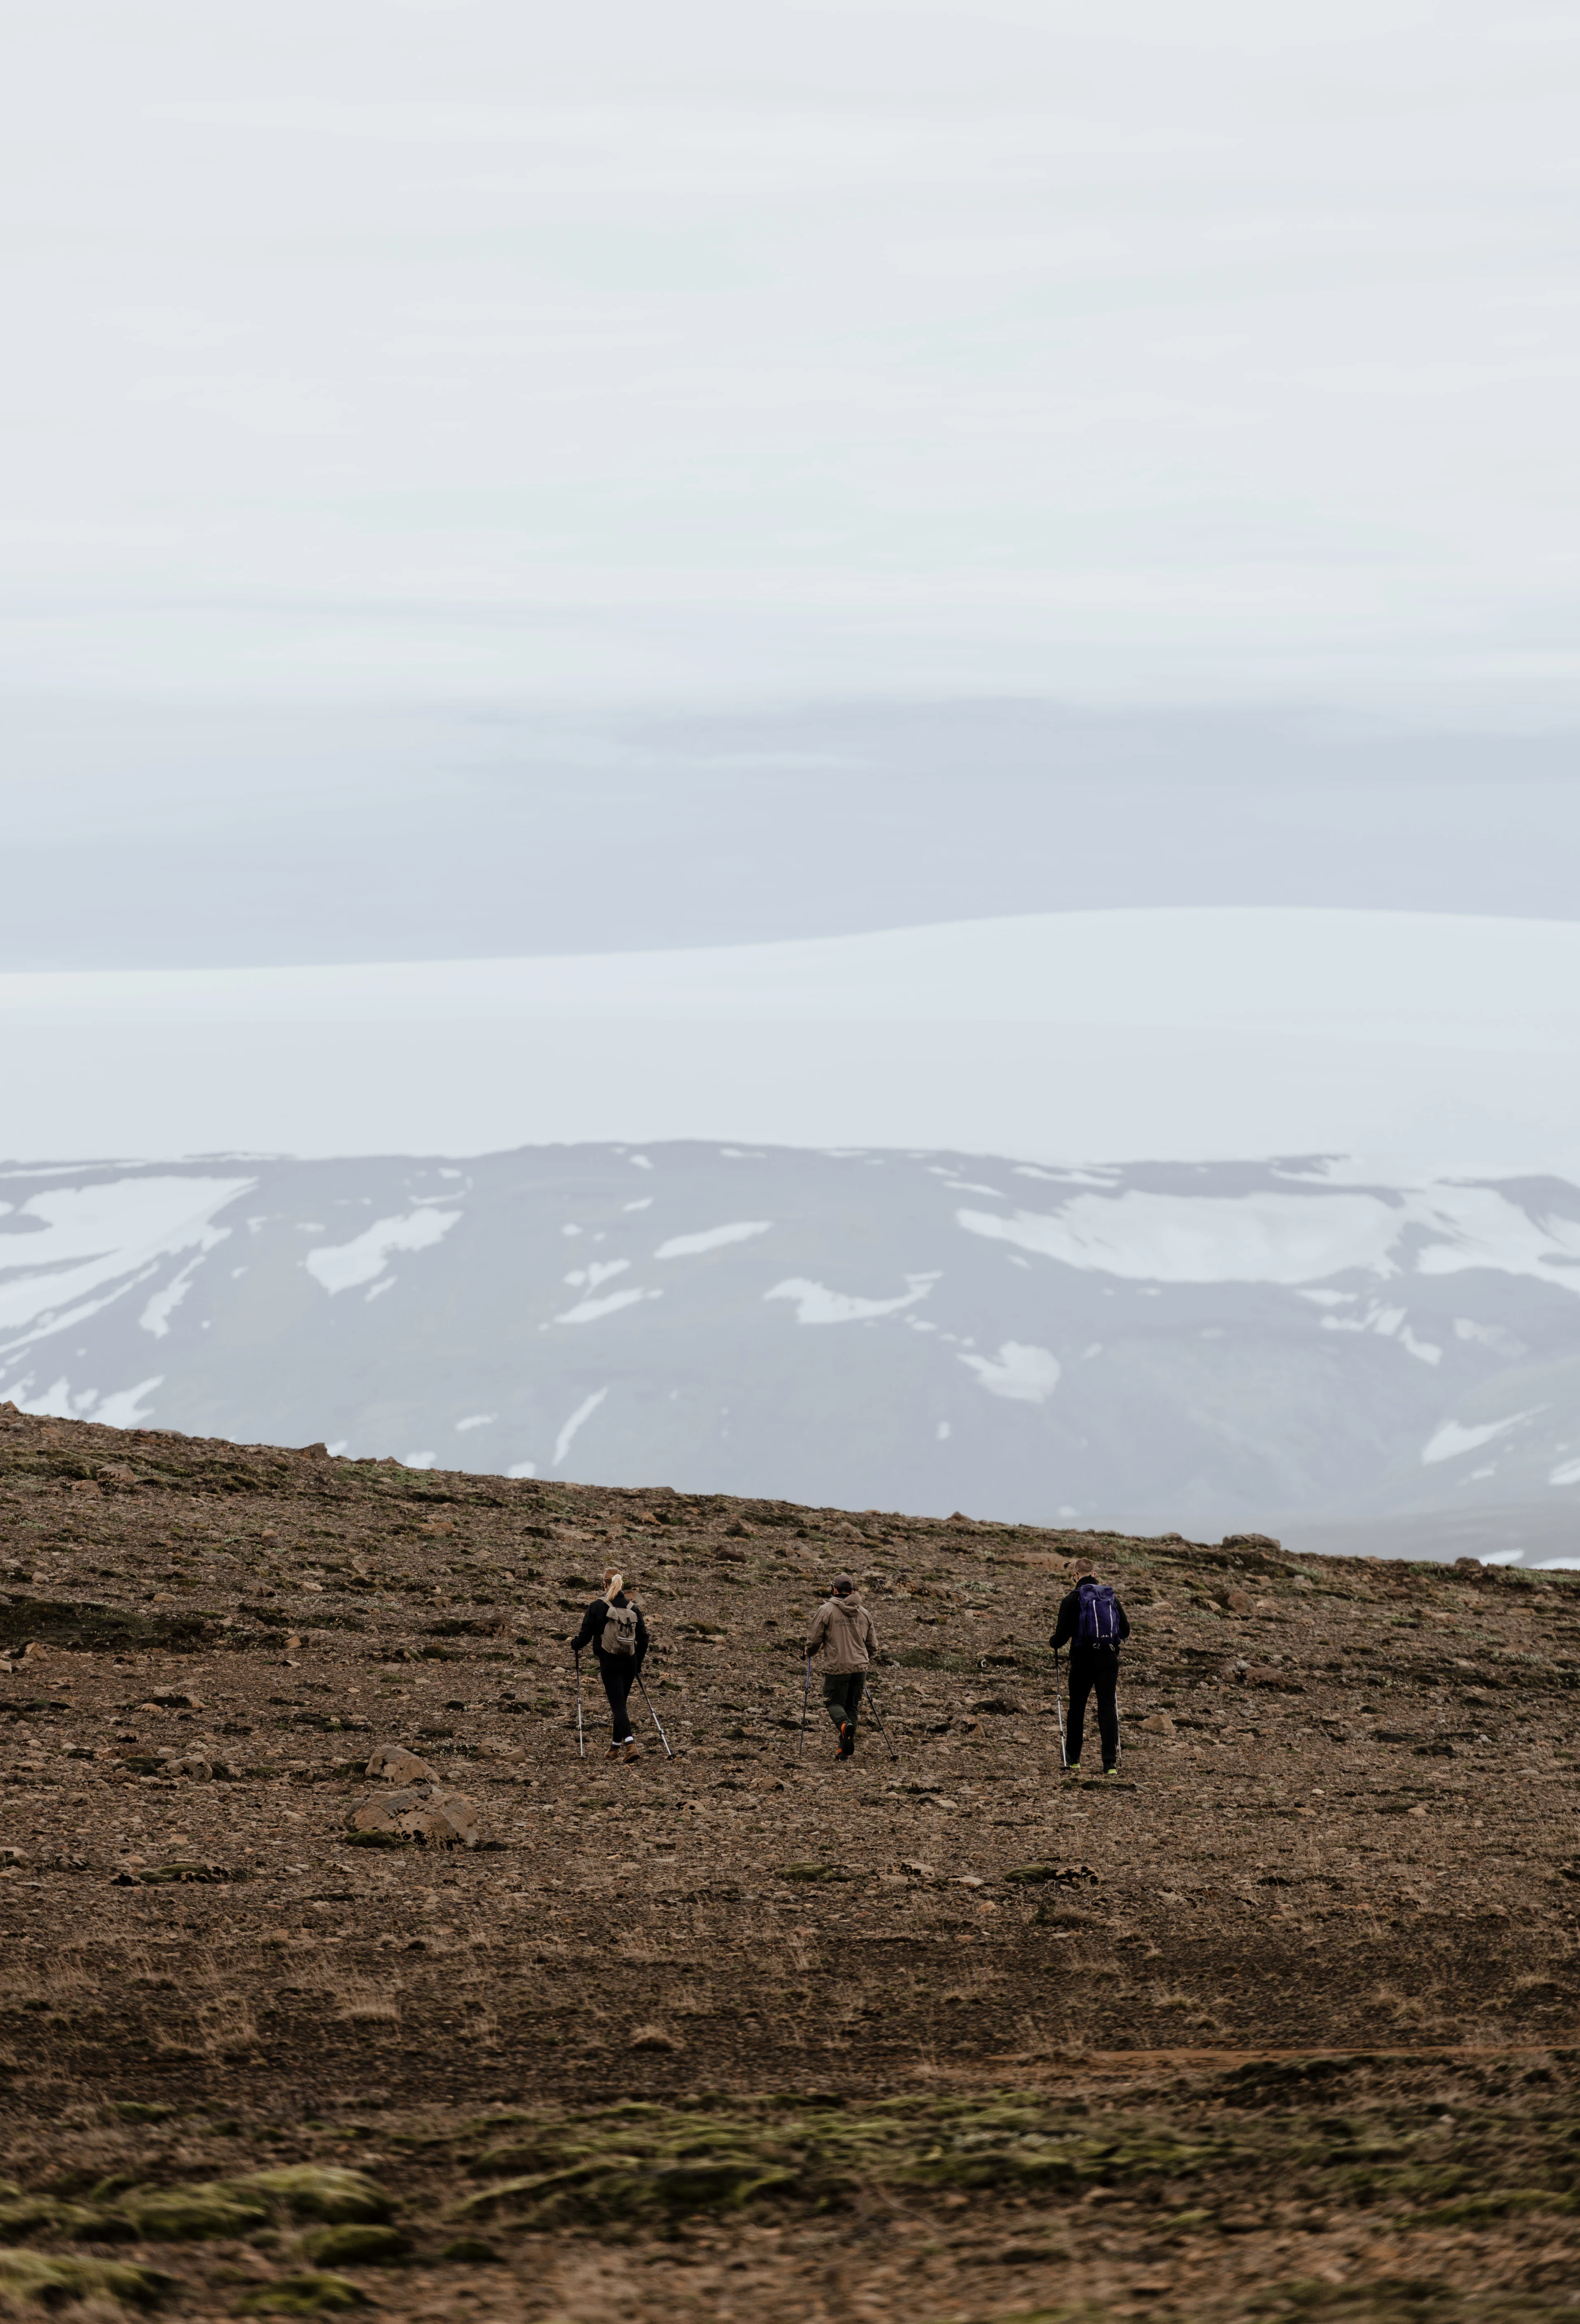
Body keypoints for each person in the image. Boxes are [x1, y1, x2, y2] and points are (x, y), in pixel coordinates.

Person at [1049, 1559, 1130, 1776]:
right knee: (1107, 1708)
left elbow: (1061, 1638)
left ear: (1075, 1576)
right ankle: (1110, 1763)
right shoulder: (1110, 1597)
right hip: (1108, 1659)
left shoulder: (1071, 1599)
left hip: (1082, 1660)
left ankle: (1074, 1759)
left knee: (1077, 1709)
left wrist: (1053, 1642)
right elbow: (1126, 1629)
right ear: (1095, 1574)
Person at [570, 1567, 649, 1761]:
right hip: (629, 1661)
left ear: (604, 1585)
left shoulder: (597, 1606)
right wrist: (637, 1663)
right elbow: (645, 1639)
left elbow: (585, 1636)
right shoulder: (633, 1608)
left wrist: (575, 1644)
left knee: (618, 1707)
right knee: (621, 1704)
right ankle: (614, 1748)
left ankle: (631, 1745)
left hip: (610, 1661)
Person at [804, 1573, 877, 1760]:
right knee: (852, 1706)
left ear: (835, 1589)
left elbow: (814, 1641)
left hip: (837, 1667)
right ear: (852, 1591)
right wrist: (862, 1657)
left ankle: (844, 1726)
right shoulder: (865, 1613)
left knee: (834, 1703)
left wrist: (808, 1653)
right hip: (860, 1668)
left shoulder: (826, 1610)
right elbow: (873, 1646)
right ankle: (843, 1751)